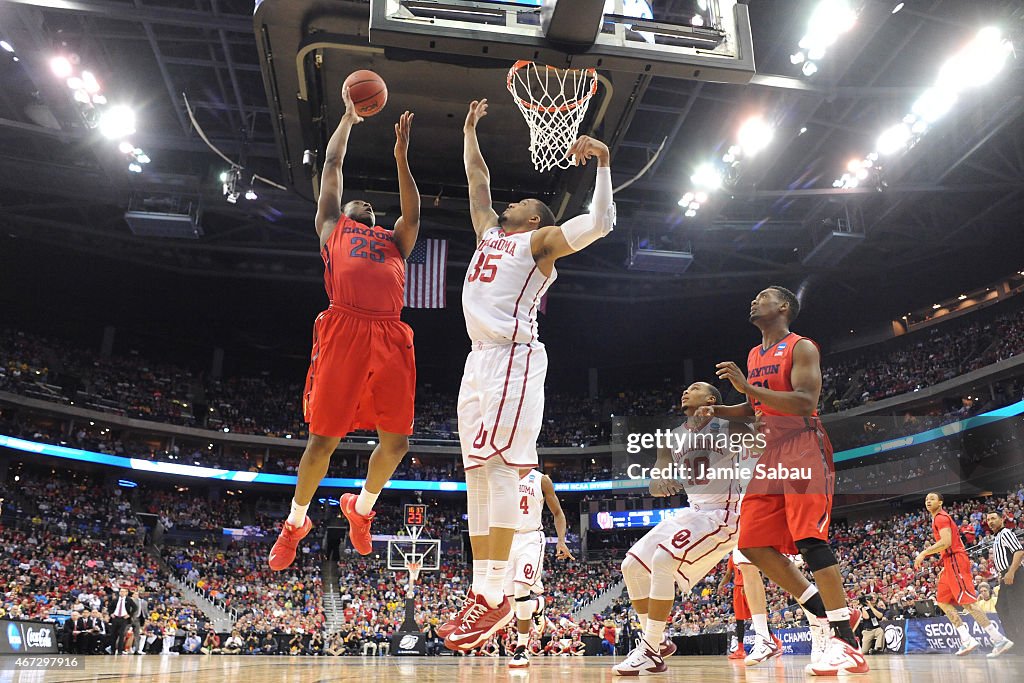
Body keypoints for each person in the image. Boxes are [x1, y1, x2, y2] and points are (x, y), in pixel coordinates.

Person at [440, 98, 616, 653]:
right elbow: (477, 181)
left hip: (514, 357)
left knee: (498, 470)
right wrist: (469, 131)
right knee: (476, 472)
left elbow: (601, 223)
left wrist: (604, 164)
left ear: (535, 219)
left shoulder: (540, 242)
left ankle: (494, 596)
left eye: (520, 202)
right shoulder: (489, 232)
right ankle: (482, 593)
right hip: (478, 360)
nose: (508, 203)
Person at [268, 89, 421, 571]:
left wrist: (401, 157)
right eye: (363, 203)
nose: (369, 206)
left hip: (391, 335)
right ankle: (295, 523)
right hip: (344, 328)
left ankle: (362, 507)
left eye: (373, 206)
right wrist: (348, 121)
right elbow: (332, 164)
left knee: (397, 441)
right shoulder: (332, 225)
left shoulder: (395, 240)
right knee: (323, 441)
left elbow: (412, 211)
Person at [699, 286, 866, 676]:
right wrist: (720, 409)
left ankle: (847, 643)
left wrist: (745, 387)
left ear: (784, 307)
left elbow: (805, 401)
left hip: (804, 444)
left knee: (809, 540)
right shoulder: (755, 354)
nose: (754, 301)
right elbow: (756, 404)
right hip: (771, 453)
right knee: (752, 545)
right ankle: (827, 613)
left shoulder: (802, 346)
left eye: (763, 297)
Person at [613, 382, 746, 676]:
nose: (686, 390)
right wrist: (657, 481)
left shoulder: (726, 426)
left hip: (725, 514)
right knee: (631, 566)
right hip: (694, 511)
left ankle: (648, 649)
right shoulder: (671, 437)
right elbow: (658, 471)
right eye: (685, 388)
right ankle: (658, 641)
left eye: (695, 388)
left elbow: (753, 422)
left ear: (711, 399)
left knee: (663, 559)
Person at [915, 492, 1013, 657]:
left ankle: (998, 639)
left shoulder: (941, 517)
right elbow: (953, 542)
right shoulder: (937, 518)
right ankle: (966, 639)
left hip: (956, 561)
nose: (928, 501)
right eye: (926, 499)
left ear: (940, 502)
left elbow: (946, 542)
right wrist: (945, 567)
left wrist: (924, 553)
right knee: (942, 601)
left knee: (968, 603)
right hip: (950, 562)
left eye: (932, 499)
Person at [506, 469, 574, 669]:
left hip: (530, 538)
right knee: (510, 606)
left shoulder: (541, 479)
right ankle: (537, 606)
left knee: (521, 590)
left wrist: (561, 540)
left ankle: (521, 649)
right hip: (508, 540)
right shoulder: (504, 474)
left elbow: (558, 513)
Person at [718, 550, 784, 664]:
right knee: (739, 619)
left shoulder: (749, 552)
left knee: (757, 616)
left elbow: (754, 571)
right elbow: (728, 574)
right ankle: (740, 649)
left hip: (749, 586)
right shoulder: (732, 558)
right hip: (737, 589)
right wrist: (721, 584)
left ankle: (775, 641)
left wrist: (746, 584)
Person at [988, 509, 1023, 645]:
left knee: (1016, 609)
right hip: (1005, 575)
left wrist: (1011, 572)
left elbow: (1019, 551)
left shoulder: (1005, 533)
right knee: (1002, 607)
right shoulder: (997, 537)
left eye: (993, 518)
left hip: (1015, 575)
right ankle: (1015, 642)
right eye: (988, 520)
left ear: (1001, 519)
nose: (990, 522)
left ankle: (1020, 644)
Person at [107, 587, 136, 656]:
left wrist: (129, 615)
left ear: (126, 593)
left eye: (123, 591)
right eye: (121, 591)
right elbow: (109, 607)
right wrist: (111, 614)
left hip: (124, 619)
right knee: (113, 635)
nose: (122, 593)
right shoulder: (115, 599)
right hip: (115, 618)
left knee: (121, 634)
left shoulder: (129, 600)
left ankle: (120, 651)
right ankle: (112, 650)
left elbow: (135, 607)